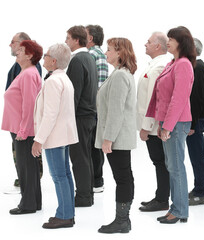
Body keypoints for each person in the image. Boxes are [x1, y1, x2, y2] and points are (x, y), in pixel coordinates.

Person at [146, 26, 195, 224]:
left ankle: (180, 210)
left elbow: (178, 98)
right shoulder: (172, 63)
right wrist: (161, 122)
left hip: (177, 122)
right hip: (170, 122)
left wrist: (168, 125)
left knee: (176, 168)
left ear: (181, 43)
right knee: (172, 165)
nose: (169, 42)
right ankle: (176, 207)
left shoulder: (183, 64)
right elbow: (161, 95)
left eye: (172, 39)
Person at [32, 43, 78, 228]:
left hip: (54, 137)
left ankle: (64, 215)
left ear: (54, 60)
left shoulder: (52, 81)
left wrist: (38, 140)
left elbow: (50, 115)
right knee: (65, 174)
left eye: (46, 55)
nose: (43, 58)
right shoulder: (64, 79)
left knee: (59, 176)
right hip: (64, 135)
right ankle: (68, 213)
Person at [96, 37, 137, 233]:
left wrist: (108, 138)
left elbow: (116, 110)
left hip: (117, 138)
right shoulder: (120, 74)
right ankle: (123, 219)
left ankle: (122, 220)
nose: (106, 53)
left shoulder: (120, 76)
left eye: (109, 49)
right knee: (124, 176)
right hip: (119, 136)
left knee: (122, 178)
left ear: (120, 53)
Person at [2, 40, 43, 214]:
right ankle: (34, 202)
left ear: (30, 55)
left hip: (23, 130)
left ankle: (27, 204)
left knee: (25, 167)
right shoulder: (27, 72)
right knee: (29, 166)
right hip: (22, 128)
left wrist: (23, 130)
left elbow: (29, 104)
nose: (17, 52)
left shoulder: (28, 75)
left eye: (21, 50)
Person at [137, 32, 171, 212]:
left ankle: (162, 199)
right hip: (154, 125)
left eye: (149, 42)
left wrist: (146, 126)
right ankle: (161, 196)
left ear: (158, 46)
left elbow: (154, 100)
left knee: (160, 162)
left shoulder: (160, 66)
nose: (145, 44)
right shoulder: (156, 64)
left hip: (154, 126)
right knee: (159, 162)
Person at [65, 25, 98, 207]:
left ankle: (84, 197)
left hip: (80, 117)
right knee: (85, 157)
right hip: (88, 116)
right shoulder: (89, 57)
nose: (66, 41)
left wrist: (67, 119)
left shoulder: (78, 60)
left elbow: (74, 94)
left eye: (68, 38)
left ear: (77, 40)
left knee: (79, 158)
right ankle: (87, 194)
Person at [186, 38, 204, 205]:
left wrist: (193, 124)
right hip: (195, 118)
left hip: (197, 119)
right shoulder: (194, 66)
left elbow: (197, 98)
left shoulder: (198, 67)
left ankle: (202, 192)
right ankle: (198, 188)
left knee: (197, 156)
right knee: (195, 155)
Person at [86, 24, 109, 193]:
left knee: (93, 145)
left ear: (91, 38)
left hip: (93, 109)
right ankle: (96, 180)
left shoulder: (94, 55)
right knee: (94, 145)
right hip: (95, 109)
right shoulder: (95, 54)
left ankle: (96, 181)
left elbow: (98, 86)